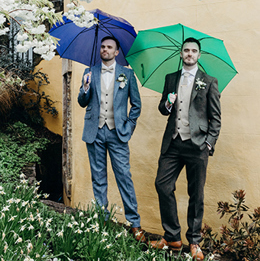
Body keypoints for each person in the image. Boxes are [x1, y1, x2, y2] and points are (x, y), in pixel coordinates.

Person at [149, 38, 221, 260]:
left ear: (199, 55)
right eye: (186, 50)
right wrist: (168, 103)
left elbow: (216, 118)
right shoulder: (171, 79)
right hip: (173, 142)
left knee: (195, 194)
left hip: (197, 145)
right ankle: (172, 237)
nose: (190, 54)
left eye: (194, 51)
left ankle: (194, 241)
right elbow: (163, 109)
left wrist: (209, 142)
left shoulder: (209, 81)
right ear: (181, 54)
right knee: (162, 184)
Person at [77, 36, 143, 239]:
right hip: (94, 131)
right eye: (103, 47)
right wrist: (86, 88)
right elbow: (82, 101)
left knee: (124, 176)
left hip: (117, 133)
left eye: (109, 47)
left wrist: (128, 127)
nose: (105, 50)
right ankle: (101, 219)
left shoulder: (128, 74)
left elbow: (136, 105)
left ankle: (134, 223)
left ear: (116, 52)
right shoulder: (89, 72)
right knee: (98, 178)